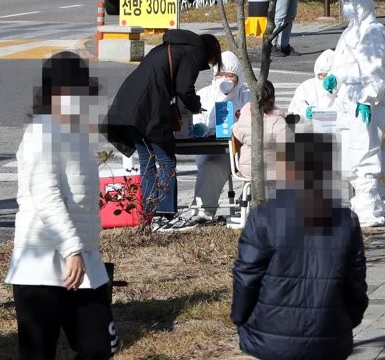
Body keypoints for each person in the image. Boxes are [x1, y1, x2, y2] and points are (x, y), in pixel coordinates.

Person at [232, 130, 368, 360]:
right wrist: (350, 317)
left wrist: (240, 315)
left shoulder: (264, 216)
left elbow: (246, 274)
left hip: (276, 331)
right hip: (326, 327)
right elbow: (355, 279)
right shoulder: (344, 219)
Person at [6, 53, 119, 360]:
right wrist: (71, 247)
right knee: (38, 352)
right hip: (42, 259)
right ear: (52, 93)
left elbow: (84, 199)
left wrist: (84, 248)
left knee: (100, 343)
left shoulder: (73, 132)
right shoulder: (40, 133)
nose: (76, 100)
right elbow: (46, 195)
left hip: (81, 257)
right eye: (69, 92)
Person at [104, 30, 222, 229]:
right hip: (150, 109)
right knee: (166, 160)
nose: (208, 64)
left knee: (147, 161)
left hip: (130, 105)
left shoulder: (170, 47)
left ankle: (148, 216)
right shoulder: (194, 52)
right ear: (210, 51)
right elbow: (184, 88)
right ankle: (166, 214)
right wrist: (195, 106)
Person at [320, 0, 385, 227]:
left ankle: (368, 210)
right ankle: (370, 200)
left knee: (365, 154)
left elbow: (377, 71)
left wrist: (367, 98)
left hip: (365, 103)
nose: (348, 6)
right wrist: (334, 77)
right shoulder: (348, 32)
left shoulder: (375, 31)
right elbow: (343, 65)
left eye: (353, 1)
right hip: (345, 100)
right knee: (345, 157)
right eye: (345, 2)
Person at [163, 51, 252, 231]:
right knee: (211, 166)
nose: (224, 79)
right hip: (214, 151)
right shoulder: (205, 94)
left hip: (242, 150)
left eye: (230, 75)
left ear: (238, 76)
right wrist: (200, 128)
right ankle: (204, 212)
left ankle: (251, 210)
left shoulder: (247, 95)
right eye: (220, 74)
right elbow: (193, 119)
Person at [232, 81, 289, 188]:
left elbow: (235, 132)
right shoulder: (278, 121)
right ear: (273, 98)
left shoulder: (243, 121)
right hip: (273, 170)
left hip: (248, 169)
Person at [288, 50, 337, 122]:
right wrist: (305, 113)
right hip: (310, 131)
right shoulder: (306, 88)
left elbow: (345, 116)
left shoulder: (344, 90)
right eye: (322, 75)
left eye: (328, 77)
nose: (324, 80)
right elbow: (293, 111)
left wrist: (320, 115)